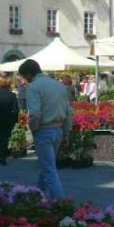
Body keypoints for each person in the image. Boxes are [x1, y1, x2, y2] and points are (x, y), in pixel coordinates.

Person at [19, 59, 72, 200]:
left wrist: (33, 130)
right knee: (46, 167)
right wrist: (66, 132)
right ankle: (37, 196)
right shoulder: (59, 85)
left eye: (24, 76)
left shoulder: (33, 87)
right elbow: (68, 112)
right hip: (58, 130)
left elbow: (35, 114)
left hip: (43, 130)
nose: (24, 79)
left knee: (49, 171)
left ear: (30, 73)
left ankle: (61, 204)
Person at [0, 75, 20, 165]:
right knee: (5, 137)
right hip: (8, 118)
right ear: (9, 83)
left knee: (0, 135)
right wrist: (15, 120)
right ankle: (2, 156)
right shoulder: (12, 95)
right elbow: (16, 109)